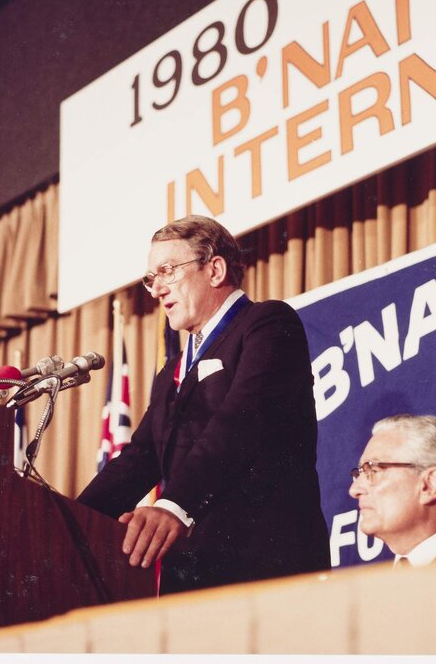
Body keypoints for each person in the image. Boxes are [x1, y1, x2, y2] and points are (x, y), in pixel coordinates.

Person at [78, 215, 330, 593]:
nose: (156, 289)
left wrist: (173, 506)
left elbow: (242, 419)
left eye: (167, 271)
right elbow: (139, 458)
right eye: (151, 278)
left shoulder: (267, 323)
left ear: (215, 270)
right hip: (193, 577)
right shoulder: (172, 372)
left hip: (266, 567)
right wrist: (71, 522)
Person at [350, 414, 436, 566]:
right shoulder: (371, 580)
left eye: (373, 470)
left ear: (430, 484)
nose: (354, 490)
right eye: (358, 474)